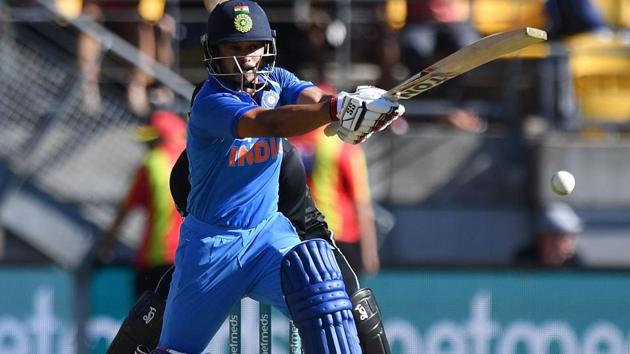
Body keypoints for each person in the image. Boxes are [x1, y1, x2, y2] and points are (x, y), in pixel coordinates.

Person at [147, 1, 404, 353]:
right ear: (213, 51)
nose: (246, 58)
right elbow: (270, 123)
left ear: (266, 46)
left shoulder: (276, 79)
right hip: (212, 247)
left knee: (322, 288)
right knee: (175, 349)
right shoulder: (211, 102)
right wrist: (334, 110)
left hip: (269, 235)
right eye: (234, 48)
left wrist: (353, 106)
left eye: (252, 47)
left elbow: (314, 97)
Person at [96, 110, 186, 297]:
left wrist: (105, 246)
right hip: (190, 256)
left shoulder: (152, 164)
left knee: (147, 323)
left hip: (157, 259)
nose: (148, 146)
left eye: (150, 141)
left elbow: (125, 210)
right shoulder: (195, 161)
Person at [290, 128, 380, 276]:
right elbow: (361, 200)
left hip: (297, 235)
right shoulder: (342, 143)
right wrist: (370, 251)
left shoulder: (288, 138)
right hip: (339, 237)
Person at [78, 0, 176, 116]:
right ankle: (89, 84)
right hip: (100, 10)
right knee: (90, 17)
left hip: (131, 14)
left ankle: (138, 83)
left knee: (147, 23)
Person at [515, 202, 584, 267]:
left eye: (572, 237)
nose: (569, 243)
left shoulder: (575, 264)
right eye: (561, 236)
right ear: (545, 238)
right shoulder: (523, 261)